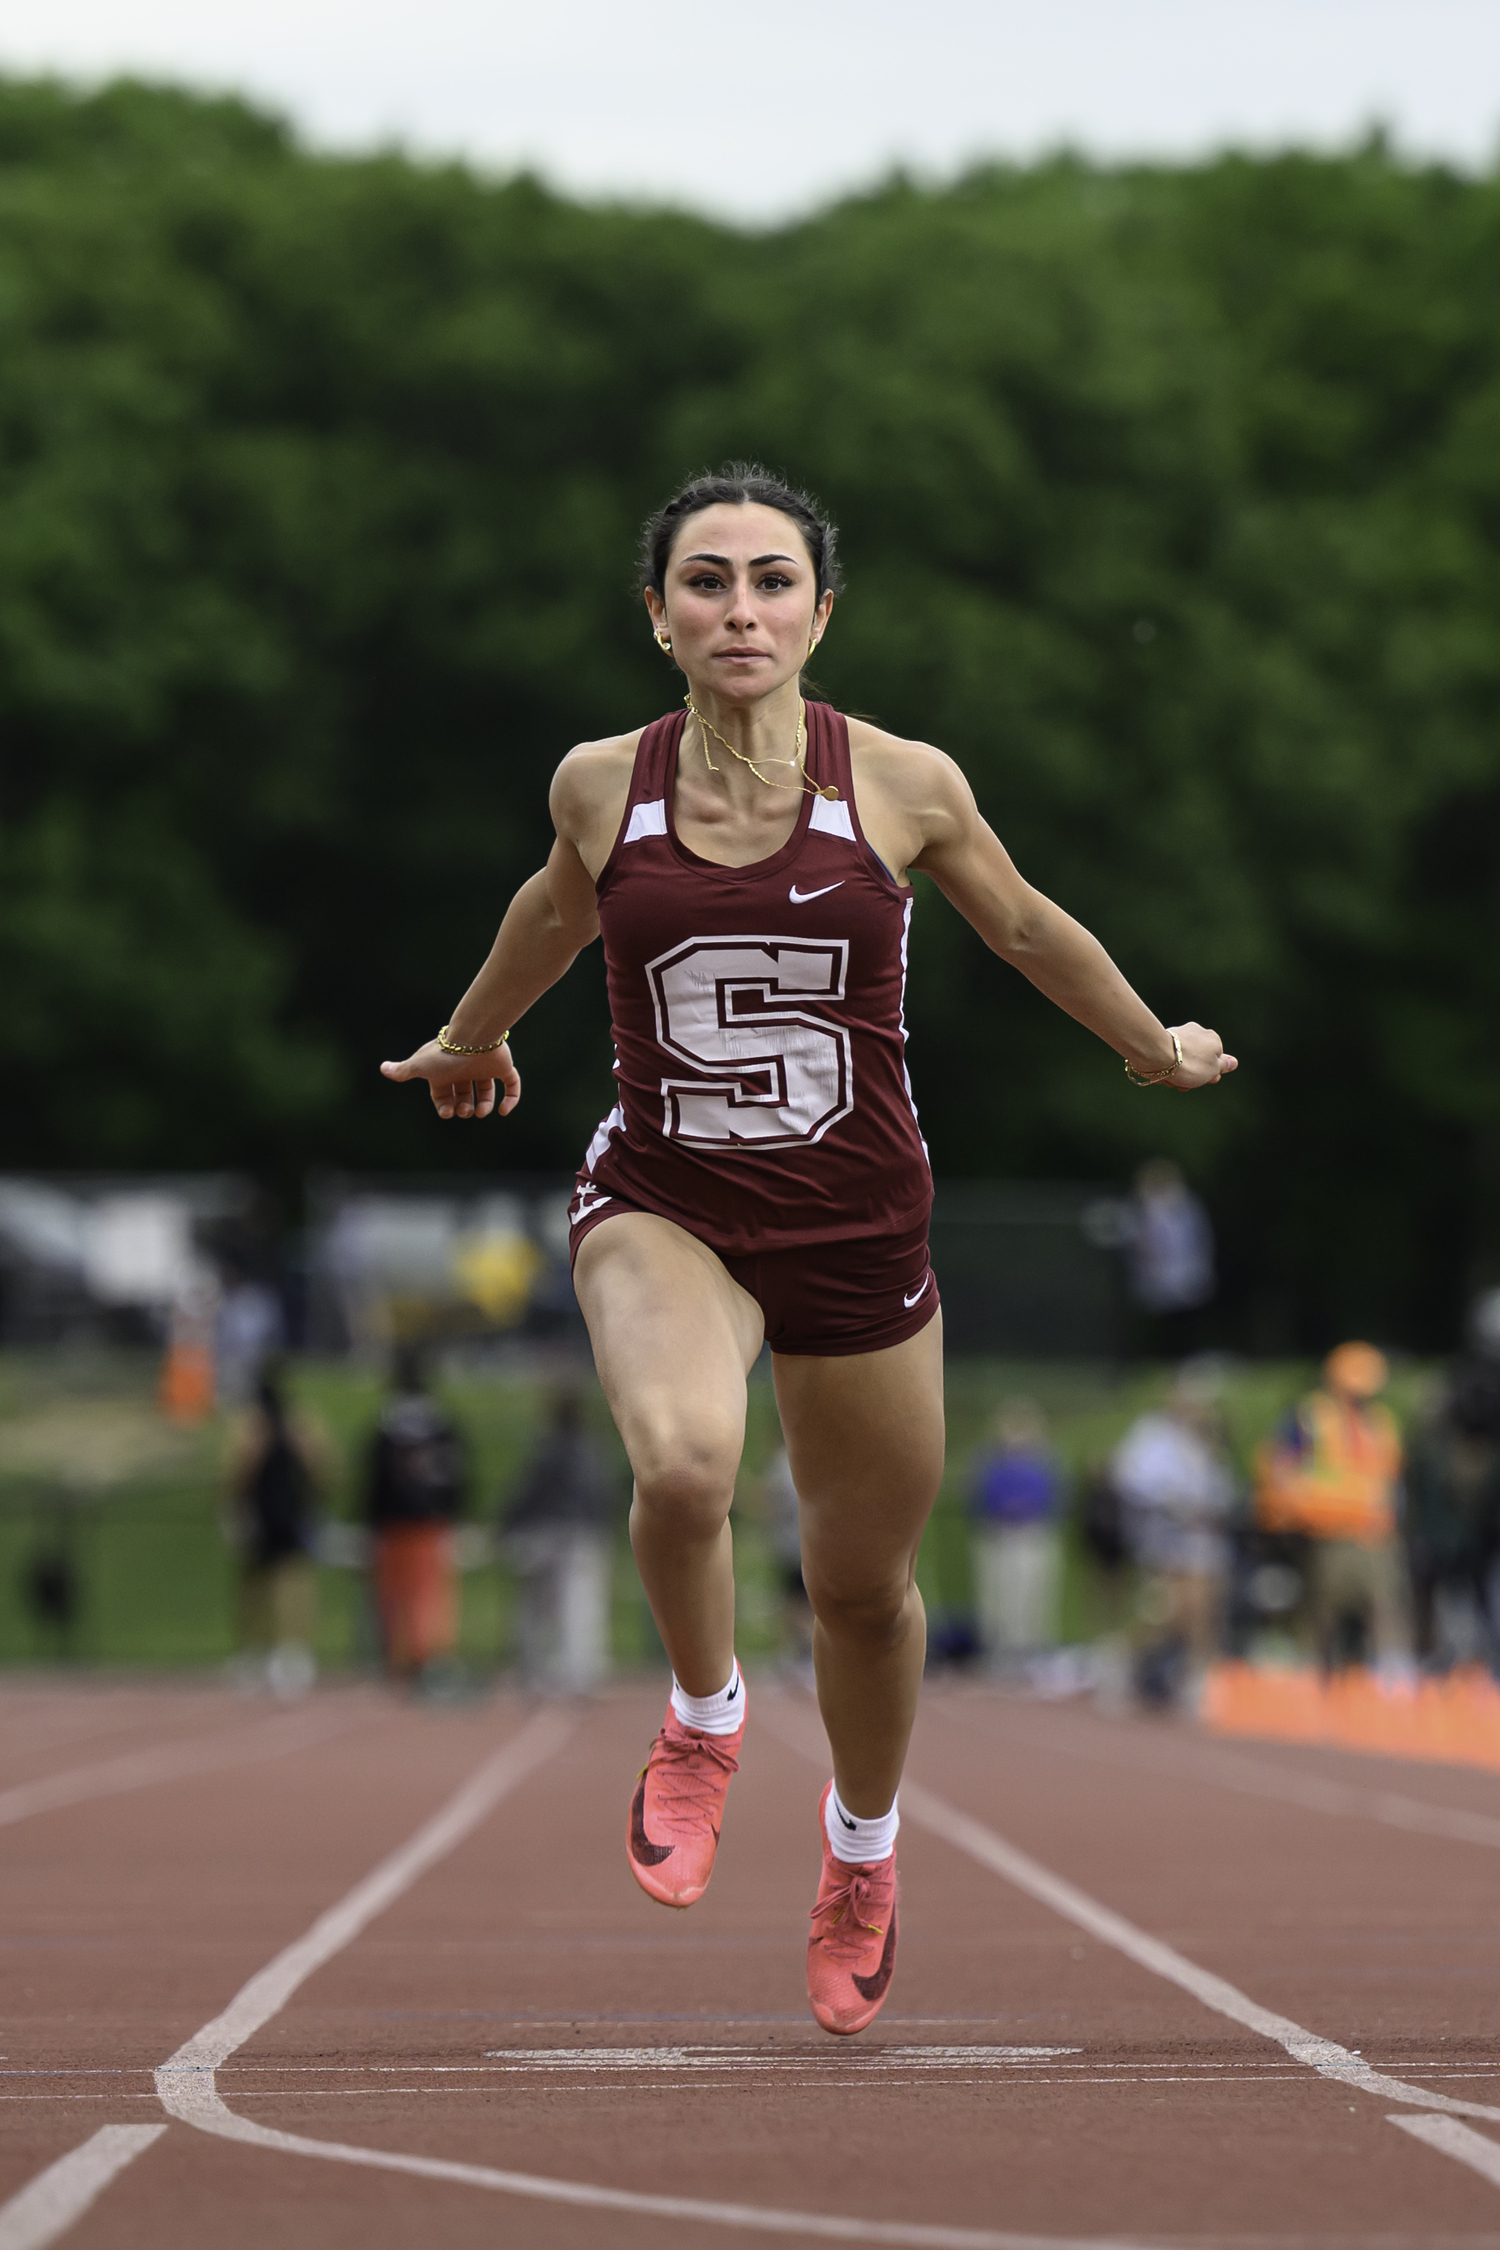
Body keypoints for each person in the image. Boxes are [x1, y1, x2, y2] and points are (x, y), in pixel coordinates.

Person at [380, 462, 1235, 2036]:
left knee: (863, 1589)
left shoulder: (901, 783)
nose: (741, 609)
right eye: (706, 581)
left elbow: (1030, 923)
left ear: (820, 611)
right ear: (658, 615)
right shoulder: (600, 782)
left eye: (772, 581)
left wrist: (1149, 1048)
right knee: (689, 1463)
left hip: (857, 1223)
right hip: (668, 1198)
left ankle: (860, 1850)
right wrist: (466, 1033)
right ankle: (705, 1717)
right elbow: (555, 910)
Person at [1255, 1342, 1409, 1674]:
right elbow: (1278, 1465)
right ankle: (1314, 1671)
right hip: (1326, 1529)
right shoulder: (1311, 1416)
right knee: (1323, 1608)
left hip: (1372, 1530)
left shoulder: (1379, 1421)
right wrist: (1290, 1509)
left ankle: (1391, 1673)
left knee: (1383, 1603)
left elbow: (1390, 1475)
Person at [1111, 1375, 1235, 1702]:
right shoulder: (1152, 1434)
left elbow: (1221, 1488)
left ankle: (1194, 1681)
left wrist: (1211, 1506)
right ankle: (1123, 1666)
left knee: (1202, 1610)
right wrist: (1169, 1500)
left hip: (1203, 1538)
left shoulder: (1208, 1440)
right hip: (1164, 1538)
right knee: (1164, 1613)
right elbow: (1130, 1477)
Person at [363, 1346, 468, 1683]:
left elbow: (373, 1477)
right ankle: (427, 1656)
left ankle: (395, 1659)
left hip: (391, 1522)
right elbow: (457, 1472)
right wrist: (453, 1509)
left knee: (391, 1595)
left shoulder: (385, 1423)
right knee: (429, 1593)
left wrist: (371, 1517)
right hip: (430, 1520)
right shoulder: (442, 1424)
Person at [223, 1362, 327, 1695]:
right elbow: (321, 1463)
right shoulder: (296, 1422)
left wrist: (234, 1507)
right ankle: (277, 1652)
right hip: (284, 1511)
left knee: (265, 1584)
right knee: (280, 1582)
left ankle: (280, 1652)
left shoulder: (255, 1424)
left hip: (272, 1511)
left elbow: (238, 1467)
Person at [504, 1388, 617, 1693]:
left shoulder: (547, 1450)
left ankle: (537, 1671)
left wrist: (508, 1526)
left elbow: (527, 1493)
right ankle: (579, 1672)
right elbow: (601, 1498)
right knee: (579, 1607)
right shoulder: (594, 1453)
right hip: (581, 1535)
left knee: (538, 1609)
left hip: (547, 1534)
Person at [967, 1401, 1064, 1668]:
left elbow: (1054, 1498)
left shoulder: (1045, 1460)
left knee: (1032, 1591)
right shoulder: (990, 1460)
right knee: (998, 1593)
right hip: (999, 1533)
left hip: (1032, 1533)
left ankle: (1031, 1647)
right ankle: (998, 1648)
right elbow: (978, 1496)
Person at [1124, 1159, 1216, 1356]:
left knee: (1185, 1324)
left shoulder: (1187, 1207)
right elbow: (1136, 1243)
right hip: (1156, 1277)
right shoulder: (1142, 1209)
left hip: (1186, 1274)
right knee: (1163, 1324)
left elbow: (1198, 1240)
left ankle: (1186, 1361)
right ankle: (1159, 1359)